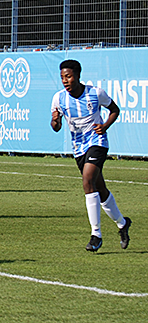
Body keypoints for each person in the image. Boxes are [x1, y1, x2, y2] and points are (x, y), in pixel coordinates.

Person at [51, 59, 132, 252]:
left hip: (97, 142)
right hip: (78, 148)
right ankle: (122, 224)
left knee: (88, 180)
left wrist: (104, 126)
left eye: (68, 76)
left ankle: (96, 235)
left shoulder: (95, 93)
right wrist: (55, 121)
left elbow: (114, 110)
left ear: (78, 76)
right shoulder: (59, 98)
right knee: (99, 189)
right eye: (62, 77)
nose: (65, 81)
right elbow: (55, 127)